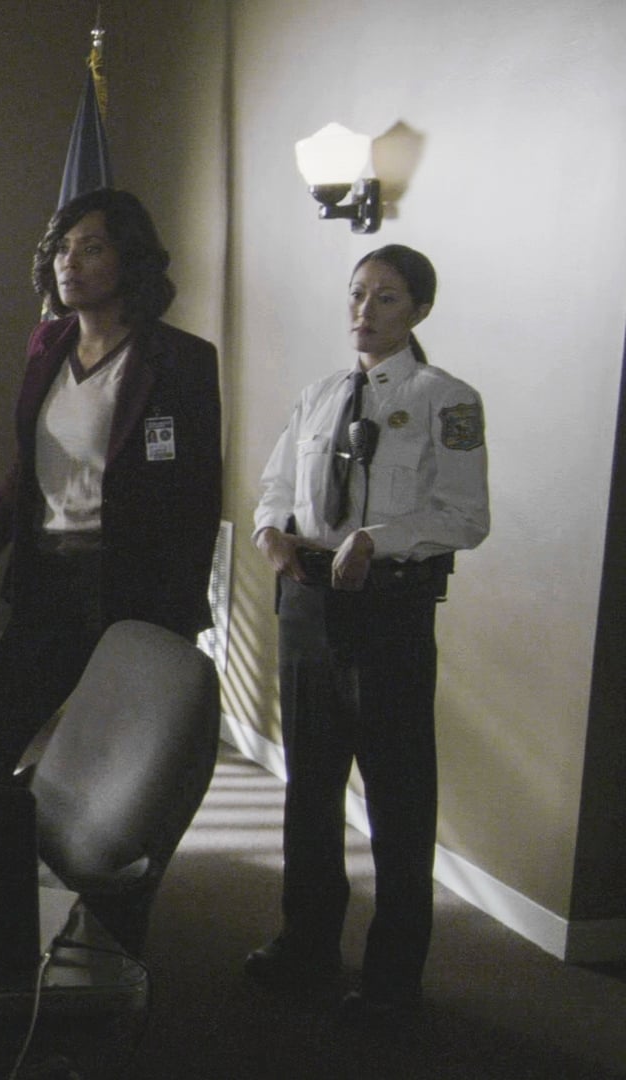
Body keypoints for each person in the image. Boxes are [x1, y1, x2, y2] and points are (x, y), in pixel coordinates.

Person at [244, 244, 489, 1021]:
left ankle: (392, 980)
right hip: (308, 605)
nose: (365, 310)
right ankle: (306, 942)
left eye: (386, 297)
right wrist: (270, 532)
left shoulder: (446, 400)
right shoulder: (319, 396)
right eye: (357, 293)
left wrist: (378, 539)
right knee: (310, 787)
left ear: (419, 310)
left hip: (389, 612)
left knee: (398, 796)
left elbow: (465, 517)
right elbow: (276, 486)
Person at [0, 188, 221, 775]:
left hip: (132, 588)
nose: (69, 263)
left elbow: (197, 498)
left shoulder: (180, 359)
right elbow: (28, 471)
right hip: (49, 579)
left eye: (91, 249)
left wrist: (179, 617)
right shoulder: (47, 345)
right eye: (62, 249)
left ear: (128, 258)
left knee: (115, 764)